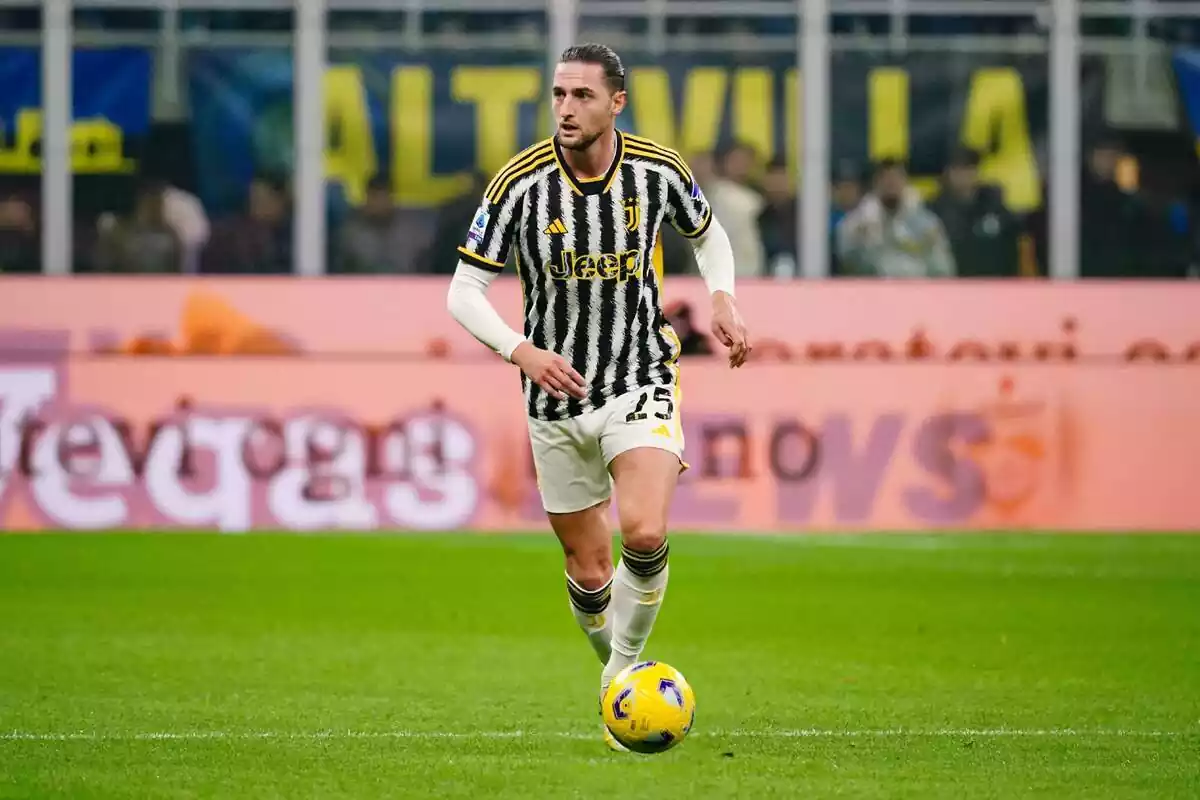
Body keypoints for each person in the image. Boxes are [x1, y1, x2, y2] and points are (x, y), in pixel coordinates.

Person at [445, 43, 749, 750]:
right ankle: (622, 674)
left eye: (581, 96)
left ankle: (619, 681)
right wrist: (521, 350)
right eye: (558, 94)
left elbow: (710, 237)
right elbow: (464, 291)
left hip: (639, 375)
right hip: (553, 398)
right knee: (588, 571)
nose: (565, 108)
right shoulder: (520, 184)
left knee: (642, 532)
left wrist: (724, 299)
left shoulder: (658, 169)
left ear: (616, 103)